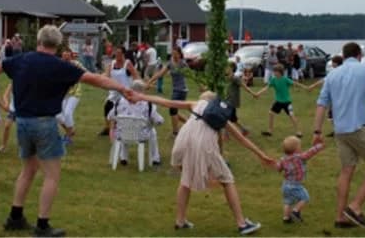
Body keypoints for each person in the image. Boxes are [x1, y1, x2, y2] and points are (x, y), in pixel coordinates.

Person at [0, 25, 137, 237]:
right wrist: (123, 88)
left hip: (23, 122)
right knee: (52, 175)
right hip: (44, 123)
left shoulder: (22, 59)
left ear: (39, 40)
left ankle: (15, 217)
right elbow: (96, 79)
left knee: (28, 170)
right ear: (58, 43)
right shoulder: (62, 66)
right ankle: (42, 226)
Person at [129, 90, 272, 235]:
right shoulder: (219, 113)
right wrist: (261, 155)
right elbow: (241, 138)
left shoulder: (194, 104)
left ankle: (180, 221)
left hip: (183, 140)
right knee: (227, 180)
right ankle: (242, 224)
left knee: (185, 181)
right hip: (204, 144)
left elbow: (166, 102)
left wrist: (141, 96)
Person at [312, 42, 365, 229]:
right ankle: (355, 206)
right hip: (360, 128)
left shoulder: (332, 74)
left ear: (344, 55)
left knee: (346, 171)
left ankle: (340, 217)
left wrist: (317, 132)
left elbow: (321, 104)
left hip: (340, 131)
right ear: (359, 55)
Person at [107, 79, 164, 166]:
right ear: (143, 91)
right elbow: (159, 121)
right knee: (153, 131)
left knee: (124, 128)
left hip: (122, 134)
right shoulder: (148, 104)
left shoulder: (120, 102)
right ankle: (155, 158)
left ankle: (123, 157)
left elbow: (110, 116)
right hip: (141, 135)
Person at [275, 136, 325, 223]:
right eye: (299, 146)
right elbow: (311, 152)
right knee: (305, 198)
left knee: (287, 202)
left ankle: (286, 218)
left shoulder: (283, 159)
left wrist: (275, 165)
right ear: (296, 149)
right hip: (296, 185)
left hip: (285, 185)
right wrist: (320, 145)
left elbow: (278, 168)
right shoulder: (300, 157)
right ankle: (295, 211)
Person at [255, 64, 308, 138]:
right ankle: (270, 131)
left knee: (292, 116)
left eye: (275, 71)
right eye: (274, 71)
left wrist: (305, 87)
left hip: (286, 102)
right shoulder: (273, 80)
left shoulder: (285, 79)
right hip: (278, 101)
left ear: (280, 72)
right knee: (271, 113)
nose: (274, 73)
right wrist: (258, 93)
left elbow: (295, 83)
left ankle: (299, 132)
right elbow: (266, 88)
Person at [147, 47, 189, 135]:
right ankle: (188, 123)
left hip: (182, 90)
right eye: (172, 54)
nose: (174, 55)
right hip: (175, 90)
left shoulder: (183, 63)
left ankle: (175, 132)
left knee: (173, 109)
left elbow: (190, 74)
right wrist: (150, 81)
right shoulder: (170, 64)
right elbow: (160, 74)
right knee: (174, 110)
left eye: (175, 54)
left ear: (179, 54)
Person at [99, 46, 139, 137]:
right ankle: (107, 128)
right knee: (107, 107)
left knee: (123, 111)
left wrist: (141, 85)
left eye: (120, 54)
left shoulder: (127, 64)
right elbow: (106, 75)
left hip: (125, 92)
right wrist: (98, 77)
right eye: (116, 54)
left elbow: (136, 76)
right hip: (114, 92)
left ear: (123, 54)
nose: (117, 55)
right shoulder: (112, 64)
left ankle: (124, 129)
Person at [57, 49, 84, 144]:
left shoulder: (76, 64)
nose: (66, 57)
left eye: (68, 55)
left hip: (75, 93)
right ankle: (70, 131)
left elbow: (86, 73)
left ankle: (68, 136)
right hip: (62, 95)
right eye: (64, 55)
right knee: (58, 116)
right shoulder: (58, 65)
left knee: (68, 113)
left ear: (71, 56)